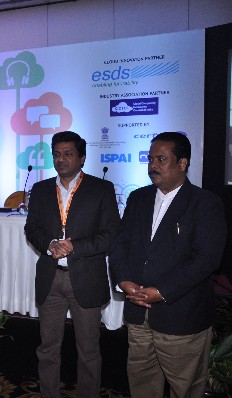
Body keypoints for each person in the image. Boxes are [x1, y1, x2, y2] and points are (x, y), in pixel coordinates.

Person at [109, 132, 227, 398]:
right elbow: (120, 245)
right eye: (150, 159)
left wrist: (161, 291)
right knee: (141, 384)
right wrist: (123, 281)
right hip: (138, 313)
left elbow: (207, 259)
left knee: (185, 389)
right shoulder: (138, 198)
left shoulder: (205, 203)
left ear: (182, 163)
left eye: (161, 159)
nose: (153, 166)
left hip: (181, 318)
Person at [24, 130, 120, 398]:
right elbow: (32, 229)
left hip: (86, 278)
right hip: (50, 277)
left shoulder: (101, 189)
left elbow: (111, 234)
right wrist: (48, 244)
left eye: (68, 154)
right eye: (56, 154)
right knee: (47, 349)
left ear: (82, 158)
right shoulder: (41, 189)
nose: (61, 160)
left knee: (88, 351)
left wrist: (74, 245)